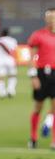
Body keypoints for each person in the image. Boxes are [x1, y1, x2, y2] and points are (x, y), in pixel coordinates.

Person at [26, 8, 55, 148]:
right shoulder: (38, 35)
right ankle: (33, 137)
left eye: (53, 17)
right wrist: (33, 76)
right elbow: (32, 57)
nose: (51, 20)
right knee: (38, 107)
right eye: (49, 17)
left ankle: (54, 141)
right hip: (42, 74)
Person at [0, 28, 17, 99]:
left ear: (1, 33)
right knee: (12, 76)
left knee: (0, 77)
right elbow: (14, 50)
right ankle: (10, 90)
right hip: (10, 60)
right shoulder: (13, 40)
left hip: (0, 60)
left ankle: (1, 93)